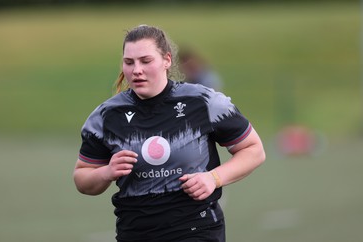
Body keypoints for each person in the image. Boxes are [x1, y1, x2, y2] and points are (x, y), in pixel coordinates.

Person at [73, 25, 265, 242]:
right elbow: (82, 178)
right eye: (129, 62)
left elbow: (253, 149)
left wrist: (213, 178)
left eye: (146, 61)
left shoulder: (202, 102)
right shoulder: (106, 116)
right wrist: (106, 172)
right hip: (135, 233)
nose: (136, 70)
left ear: (167, 60)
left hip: (196, 230)